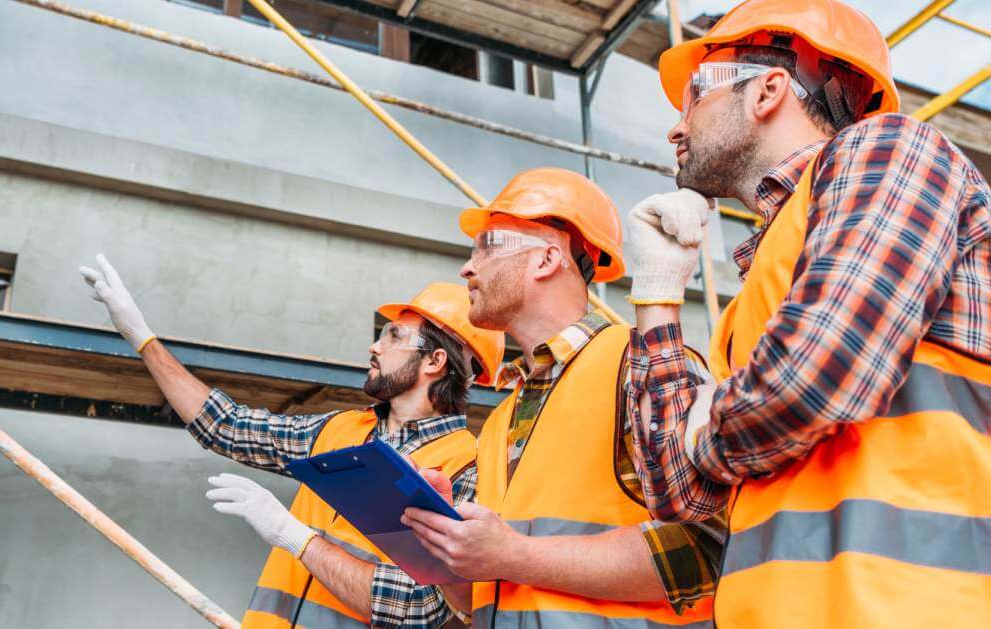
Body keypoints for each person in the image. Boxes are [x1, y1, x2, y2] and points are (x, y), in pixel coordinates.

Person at [624, 0, 991, 626]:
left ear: (768, 90)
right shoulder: (757, 295)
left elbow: (819, 370)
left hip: (908, 608)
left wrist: (704, 430)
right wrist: (657, 294)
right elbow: (674, 489)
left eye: (692, 97)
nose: (675, 128)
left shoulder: (890, 150)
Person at [79, 259, 504, 628]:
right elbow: (225, 425)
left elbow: (417, 606)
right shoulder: (340, 431)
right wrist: (142, 338)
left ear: (434, 361)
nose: (374, 346)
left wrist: (293, 536)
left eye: (393, 336)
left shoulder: (467, 468)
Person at [402, 169, 722, 627]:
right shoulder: (500, 420)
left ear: (548, 260)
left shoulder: (642, 363)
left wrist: (515, 554)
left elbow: (707, 549)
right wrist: (442, 542)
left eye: (488, 245)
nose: (467, 267)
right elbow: (482, 597)